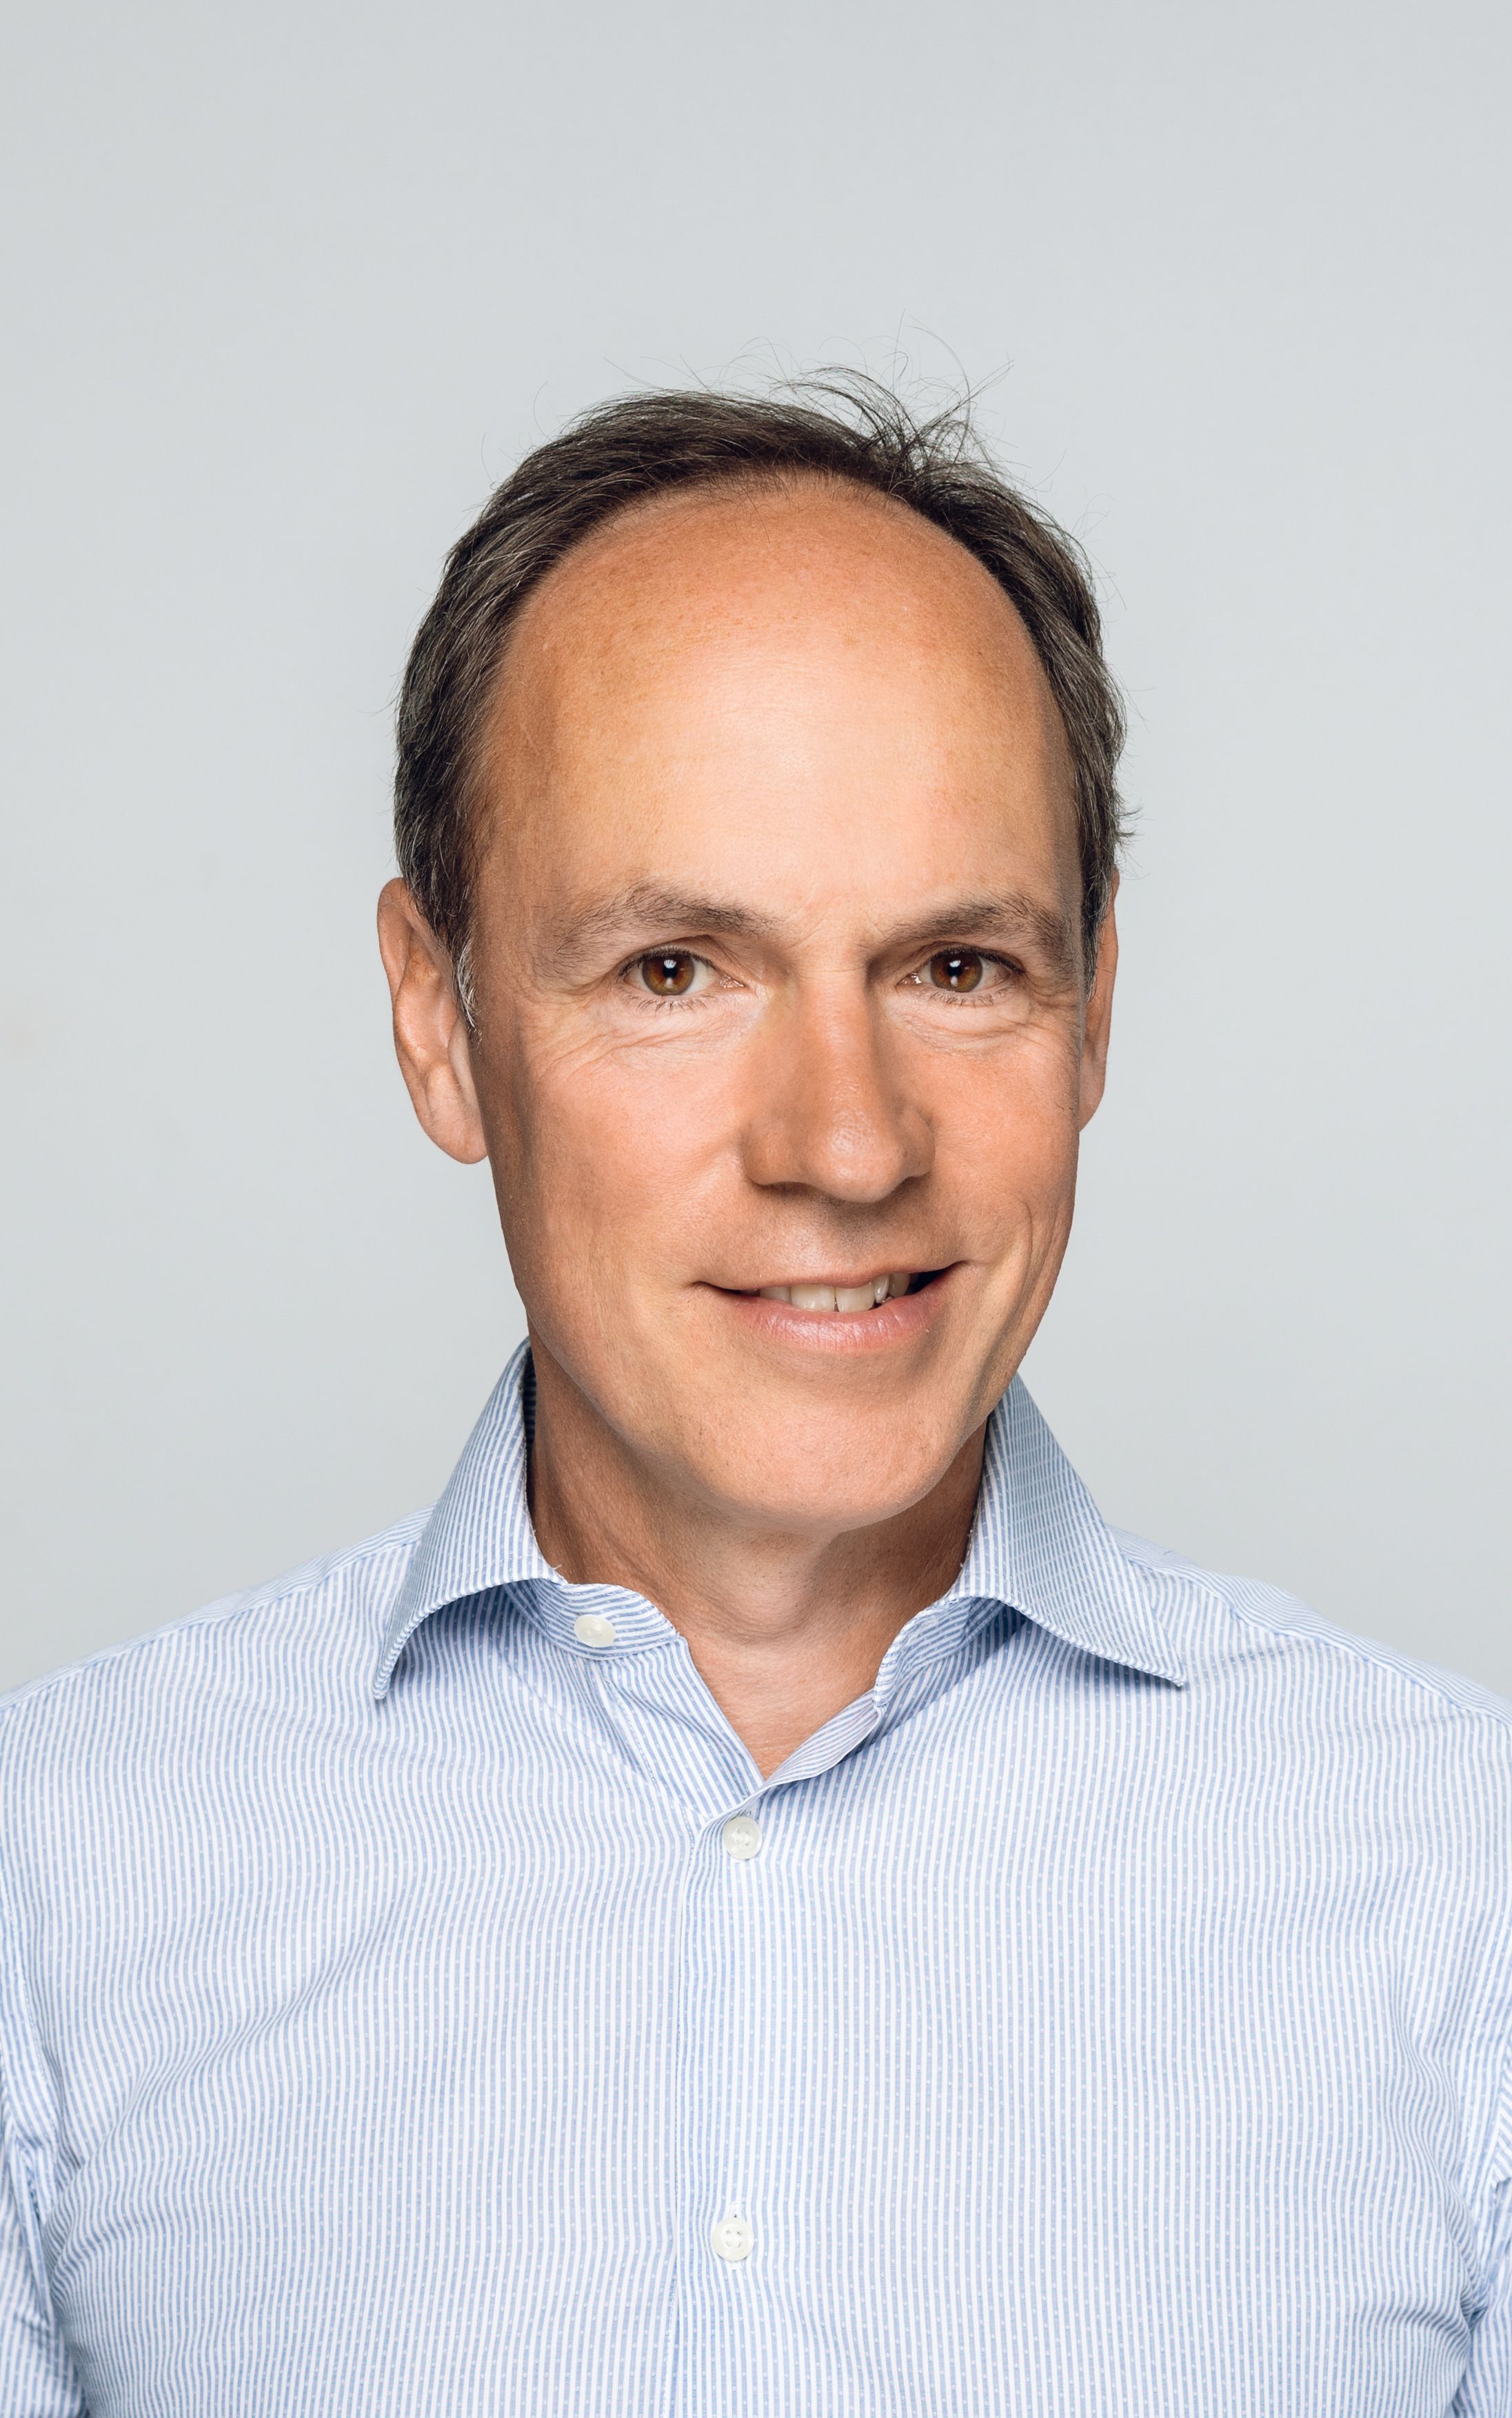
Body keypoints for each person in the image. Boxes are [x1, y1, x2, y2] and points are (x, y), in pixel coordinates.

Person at [1, 380, 1508, 2418]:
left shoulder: (1464, 1889)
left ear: (1093, 1014)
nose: (846, 1144)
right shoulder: (52, 1882)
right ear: (436, 1021)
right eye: (674, 970)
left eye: (957, 968)